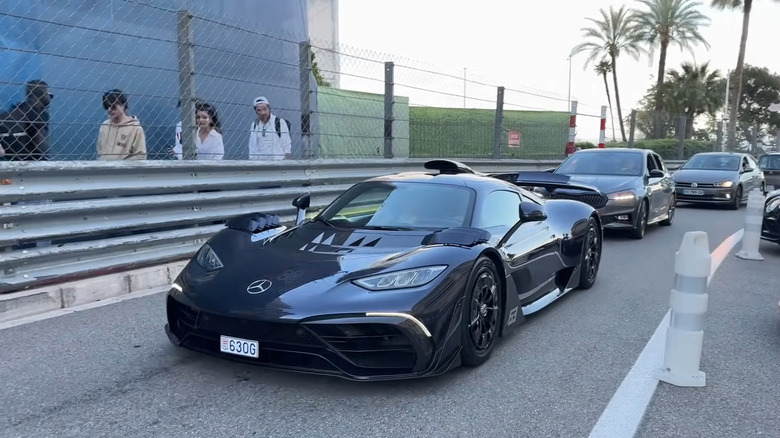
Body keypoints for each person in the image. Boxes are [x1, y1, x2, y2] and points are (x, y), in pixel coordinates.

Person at [0, 80, 52, 161]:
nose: (50, 97)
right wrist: (46, 158)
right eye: (48, 94)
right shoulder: (39, 113)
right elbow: (38, 142)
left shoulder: (17, 110)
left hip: (10, 157)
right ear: (42, 94)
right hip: (28, 158)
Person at [96, 89, 147, 160]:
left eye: (113, 106)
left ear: (123, 105)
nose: (109, 110)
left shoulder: (135, 128)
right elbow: (100, 151)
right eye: (106, 106)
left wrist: (122, 164)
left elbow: (140, 156)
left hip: (124, 167)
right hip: (103, 166)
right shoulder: (104, 126)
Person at [248, 96, 291, 160]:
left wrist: (286, 161)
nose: (262, 113)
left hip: (277, 161)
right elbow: (252, 145)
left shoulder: (279, 122)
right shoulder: (255, 125)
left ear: (269, 108)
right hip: (260, 163)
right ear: (256, 112)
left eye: (264, 109)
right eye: (259, 110)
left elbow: (286, 143)